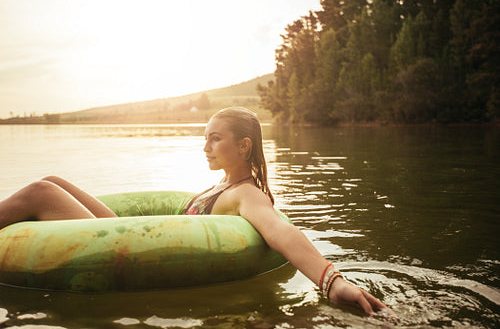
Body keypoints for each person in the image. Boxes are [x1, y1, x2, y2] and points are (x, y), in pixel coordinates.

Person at [0, 107, 393, 318]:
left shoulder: (247, 193)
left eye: (215, 139)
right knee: (52, 180)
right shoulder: (222, 185)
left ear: (243, 147)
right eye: (205, 138)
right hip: (127, 233)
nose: (206, 146)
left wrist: (332, 281)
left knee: (40, 192)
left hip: (128, 248)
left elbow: (280, 232)